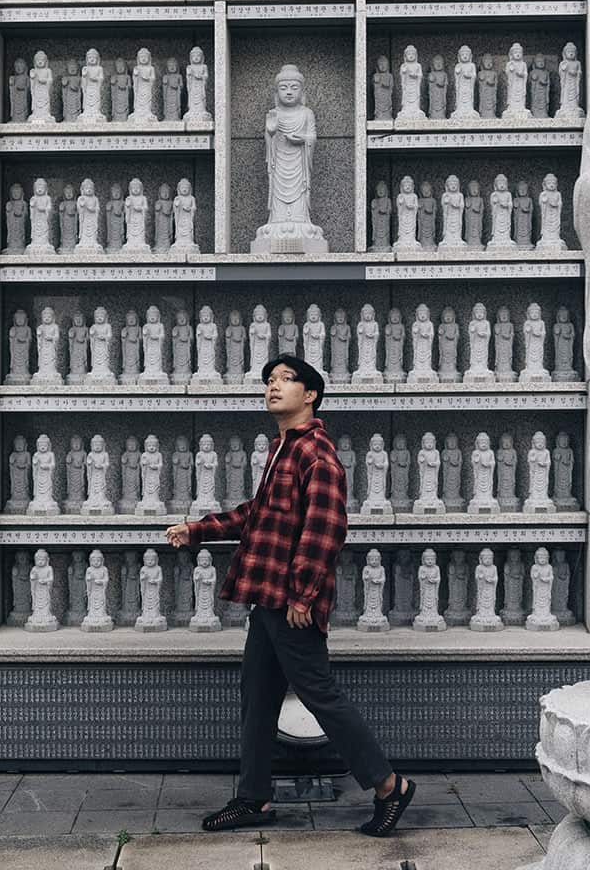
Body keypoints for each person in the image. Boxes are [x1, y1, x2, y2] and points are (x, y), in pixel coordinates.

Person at [166, 354, 415, 837]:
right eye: (269, 380)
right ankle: (254, 799)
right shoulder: (282, 449)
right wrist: (197, 530)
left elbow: (326, 529)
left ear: (311, 394)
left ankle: (390, 786)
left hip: (291, 603)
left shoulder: (316, 454)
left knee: (321, 695)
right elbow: (254, 516)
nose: (273, 386)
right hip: (269, 600)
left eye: (286, 379)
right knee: (257, 697)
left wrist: (304, 595)